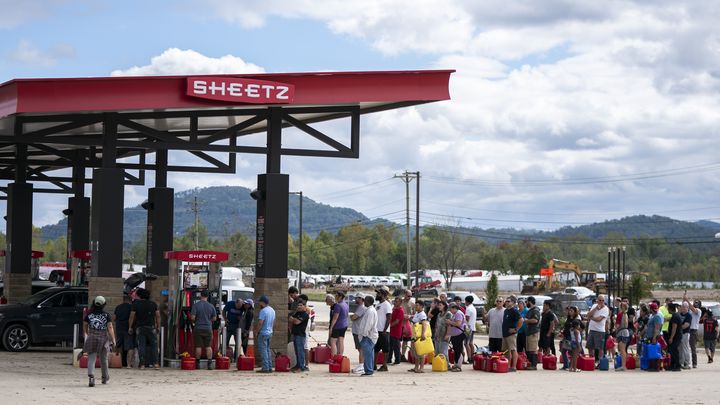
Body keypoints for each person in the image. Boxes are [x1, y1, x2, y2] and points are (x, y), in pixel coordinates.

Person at [83, 296, 116, 387]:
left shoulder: (89, 314)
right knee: (104, 359)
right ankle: (105, 378)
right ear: (103, 304)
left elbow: (85, 325)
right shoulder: (106, 315)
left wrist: (88, 333)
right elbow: (110, 327)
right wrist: (113, 339)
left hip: (92, 336)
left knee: (91, 358)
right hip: (103, 337)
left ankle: (91, 377)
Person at [128, 288, 160, 369]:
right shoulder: (153, 304)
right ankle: (156, 364)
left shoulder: (136, 304)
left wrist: (130, 327)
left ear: (139, 295)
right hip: (151, 327)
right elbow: (158, 316)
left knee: (141, 345)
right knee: (154, 345)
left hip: (140, 327)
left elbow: (132, 316)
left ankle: (142, 364)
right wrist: (158, 326)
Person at [189, 290, 217, 369]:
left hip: (198, 328)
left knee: (198, 346)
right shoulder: (211, 306)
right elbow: (214, 318)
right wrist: (208, 320)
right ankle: (210, 364)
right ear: (208, 296)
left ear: (200, 295)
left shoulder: (196, 305)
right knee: (208, 346)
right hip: (208, 328)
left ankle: (197, 364)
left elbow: (192, 317)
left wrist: (195, 320)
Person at [357, 295, 378, 376]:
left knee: (368, 355)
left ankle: (369, 371)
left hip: (368, 336)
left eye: (364, 300)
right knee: (369, 354)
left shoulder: (370, 311)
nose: (363, 302)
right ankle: (368, 370)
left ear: (367, 301)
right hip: (368, 336)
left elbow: (368, 325)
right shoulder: (369, 310)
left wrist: (364, 335)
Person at [586, 294, 609, 366]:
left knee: (599, 348)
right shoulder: (594, 306)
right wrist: (595, 308)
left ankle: (600, 362)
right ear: (597, 300)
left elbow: (599, 319)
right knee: (590, 346)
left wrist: (591, 317)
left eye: (602, 300)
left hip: (600, 331)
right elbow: (588, 314)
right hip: (592, 329)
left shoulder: (606, 309)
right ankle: (591, 360)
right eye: (600, 300)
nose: (601, 302)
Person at [501, 296, 522, 372]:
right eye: (506, 301)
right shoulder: (506, 310)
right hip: (505, 333)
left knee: (513, 349)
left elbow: (521, 320)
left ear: (513, 302)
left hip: (511, 334)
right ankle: (508, 365)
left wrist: (516, 329)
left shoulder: (514, 311)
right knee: (506, 351)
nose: (507, 302)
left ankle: (514, 367)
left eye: (508, 301)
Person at [255, 295, 275, 373]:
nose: (259, 304)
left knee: (263, 351)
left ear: (262, 302)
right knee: (267, 350)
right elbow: (273, 322)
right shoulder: (272, 310)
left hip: (263, 333)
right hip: (270, 332)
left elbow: (260, 323)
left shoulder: (263, 311)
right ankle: (269, 367)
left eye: (260, 302)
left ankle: (265, 368)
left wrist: (256, 331)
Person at [113, 295, 134, 368]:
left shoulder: (118, 307)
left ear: (123, 300)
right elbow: (132, 317)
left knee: (118, 345)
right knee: (130, 346)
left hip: (119, 328)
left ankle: (116, 362)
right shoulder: (131, 307)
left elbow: (114, 318)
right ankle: (129, 364)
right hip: (127, 328)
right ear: (130, 300)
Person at [374, 286, 392, 371]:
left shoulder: (386, 304)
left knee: (385, 349)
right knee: (376, 348)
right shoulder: (378, 304)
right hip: (377, 330)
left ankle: (385, 365)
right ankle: (374, 364)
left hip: (383, 330)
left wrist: (385, 329)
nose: (377, 294)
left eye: (379, 293)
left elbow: (389, 317)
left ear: (383, 295)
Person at [289, 300, 310, 372]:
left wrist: (293, 319)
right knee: (297, 351)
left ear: (304, 306)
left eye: (301, 305)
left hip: (300, 335)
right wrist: (293, 319)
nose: (299, 307)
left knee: (300, 351)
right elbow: (290, 319)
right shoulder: (297, 313)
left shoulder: (305, 314)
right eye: (298, 305)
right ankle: (298, 365)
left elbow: (297, 322)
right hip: (295, 334)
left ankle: (301, 367)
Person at [409, 300, 429, 373]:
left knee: (421, 352)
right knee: (415, 352)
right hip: (415, 335)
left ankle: (421, 368)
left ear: (421, 306)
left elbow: (424, 324)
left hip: (419, 336)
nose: (415, 307)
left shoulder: (422, 314)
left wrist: (423, 334)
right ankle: (416, 367)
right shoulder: (417, 313)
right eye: (415, 305)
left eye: (417, 305)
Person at [684, 292, 701, 368]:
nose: (696, 304)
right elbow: (686, 308)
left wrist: (687, 300)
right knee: (685, 346)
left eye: (697, 303)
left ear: (699, 305)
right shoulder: (690, 310)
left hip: (693, 330)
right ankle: (686, 362)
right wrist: (684, 299)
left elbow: (693, 309)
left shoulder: (698, 311)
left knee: (692, 347)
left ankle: (694, 363)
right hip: (688, 329)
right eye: (695, 302)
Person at [350, 292, 367, 371]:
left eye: (357, 298)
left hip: (358, 331)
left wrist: (351, 316)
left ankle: (361, 365)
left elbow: (353, 317)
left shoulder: (362, 308)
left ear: (361, 299)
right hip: (356, 330)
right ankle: (362, 364)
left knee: (361, 348)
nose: (356, 299)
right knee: (359, 348)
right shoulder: (359, 307)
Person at [447, 302, 466, 371]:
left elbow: (458, 324)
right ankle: (456, 364)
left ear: (454, 308)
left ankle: (459, 366)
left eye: (451, 309)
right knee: (456, 350)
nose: (450, 311)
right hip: (455, 335)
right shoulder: (455, 314)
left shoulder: (458, 314)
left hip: (459, 334)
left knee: (458, 350)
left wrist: (450, 322)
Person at [329, 291, 349, 356]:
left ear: (340, 297)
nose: (335, 297)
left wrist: (331, 328)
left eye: (336, 296)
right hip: (344, 325)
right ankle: (340, 355)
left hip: (338, 325)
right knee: (341, 340)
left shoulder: (338, 305)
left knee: (333, 341)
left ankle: (334, 357)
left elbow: (335, 318)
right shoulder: (346, 304)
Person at [524, 296, 541, 370]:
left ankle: (534, 365)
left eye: (527, 302)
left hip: (533, 332)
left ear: (530, 302)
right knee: (529, 349)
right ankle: (530, 363)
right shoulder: (530, 310)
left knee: (533, 349)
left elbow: (535, 320)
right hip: (529, 332)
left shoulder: (535, 310)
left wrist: (526, 320)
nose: (526, 303)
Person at [389, 296, 405, 365]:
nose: (395, 303)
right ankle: (388, 359)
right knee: (390, 346)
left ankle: (397, 360)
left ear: (400, 303)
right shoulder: (393, 309)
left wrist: (389, 326)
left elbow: (397, 321)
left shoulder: (401, 311)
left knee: (396, 346)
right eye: (394, 301)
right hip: (391, 330)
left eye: (397, 301)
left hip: (396, 331)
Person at [615, 302, 630, 371]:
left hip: (621, 332)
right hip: (626, 332)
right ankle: (624, 365)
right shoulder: (626, 314)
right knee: (624, 350)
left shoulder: (620, 314)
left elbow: (617, 325)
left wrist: (615, 329)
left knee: (622, 350)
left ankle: (623, 366)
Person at [667, 303, 682, 371]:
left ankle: (677, 365)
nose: (667, 309)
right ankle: (672, 365)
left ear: (670, 309)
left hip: (676, 337)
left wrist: (671, 338)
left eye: (668, 308)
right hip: (675, 336)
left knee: (674, 351)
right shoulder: (675, 315)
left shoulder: (675, 316)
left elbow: (674, 328)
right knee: (671, 351)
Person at [400, 289, 415, 361]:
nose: (409, 297)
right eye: (408, 296)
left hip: (407, 324)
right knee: (397, 341)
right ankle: (398, 354)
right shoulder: (399, 302)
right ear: (405, 295)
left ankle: (403, 355)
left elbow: (415, 314)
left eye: (411, 296)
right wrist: (402, 315)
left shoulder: (412, 303)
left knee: (406, 340)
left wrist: (409, 316)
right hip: (399, 323)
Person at [679, 302, 692, 369]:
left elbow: (686, 325)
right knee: (680, 348)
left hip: (685, 333)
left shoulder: (688, 315)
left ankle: (687, 363)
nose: (683, 308)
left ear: (687, 308)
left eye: (685, 307)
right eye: (682, 306)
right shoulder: (680, 314)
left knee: (685, 348)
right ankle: (680, 362)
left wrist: (678, 328)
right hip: (680, 333)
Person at [464, 295, 477, 363]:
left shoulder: (468, 308)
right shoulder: (473, 308)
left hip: (468, 328)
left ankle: (469, 358)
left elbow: (467, 318)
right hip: (472, 327)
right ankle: (473, 357)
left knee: (466, 343)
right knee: (471, 343)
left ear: (467, 301)